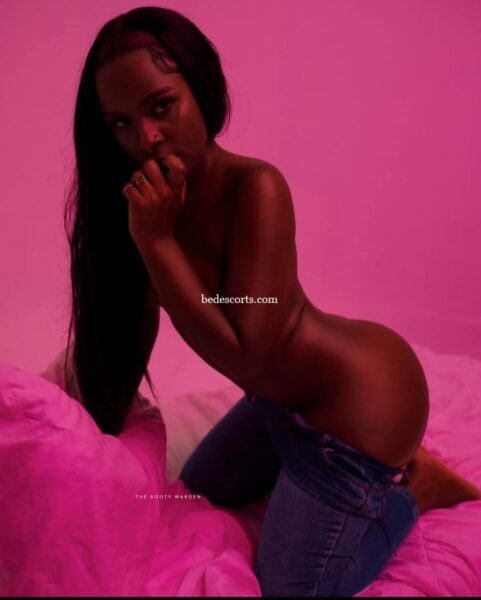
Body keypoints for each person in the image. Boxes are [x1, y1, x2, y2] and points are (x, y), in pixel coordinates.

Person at [66, 5, 481, 596]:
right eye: (120, 123)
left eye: (162, 107)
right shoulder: (147, 208)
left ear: (201, 91)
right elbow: (128, 340)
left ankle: (416, 489)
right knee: (198, 492)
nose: (146, 138)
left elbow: (251, 351)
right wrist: (85, 447)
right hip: (281, 406)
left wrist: (156, 242)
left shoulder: (254, 188)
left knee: (291, 588)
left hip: (359, 406)